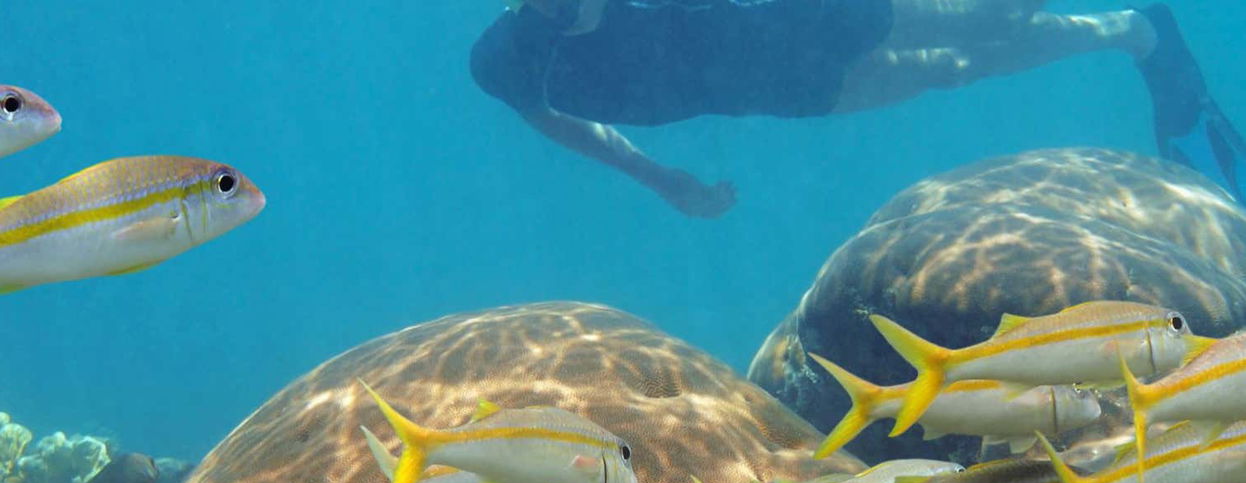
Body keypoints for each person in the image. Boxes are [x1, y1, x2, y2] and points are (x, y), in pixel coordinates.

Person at [471, 1, 1244, 218]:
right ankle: (1131, 32)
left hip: (812, 19)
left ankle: (1135, 33)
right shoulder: (507, 59)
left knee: (985, 19)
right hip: (785, 90)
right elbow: (551, 119)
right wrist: (662, 178)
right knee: (957, 70)